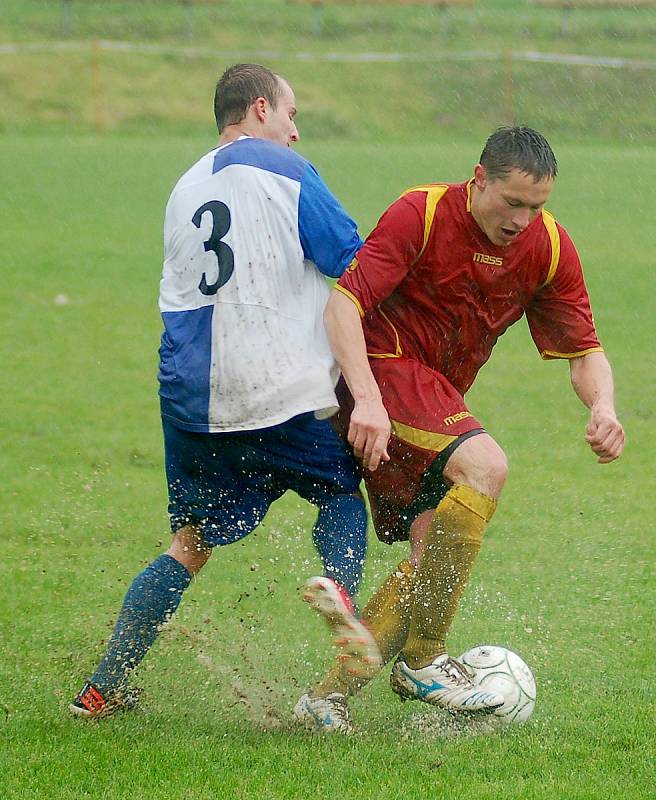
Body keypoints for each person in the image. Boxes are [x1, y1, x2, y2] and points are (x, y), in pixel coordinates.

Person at [70, 63, 380, 718]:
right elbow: (354, 265)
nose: (295, 133)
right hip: (276, 385)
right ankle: (341, 593)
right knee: (337, 492)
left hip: (190, 399)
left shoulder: (184, 186)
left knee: (188, 544)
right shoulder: (289, 172)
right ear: (261, 108)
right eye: (292, 115)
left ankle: (101, 688)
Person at [294, 126, 625, 733]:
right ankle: (424, 662)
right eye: (513, 202)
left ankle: (325, 699)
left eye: (538, 206)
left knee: (430, 555)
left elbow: (585, 350)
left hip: (432, 404)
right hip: (380, 373)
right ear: (479, 180)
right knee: (487, 465)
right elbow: (343, 305)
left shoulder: (547, 248)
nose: (523, 219)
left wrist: (602, 407)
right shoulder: (420, 213)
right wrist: (365, 398)